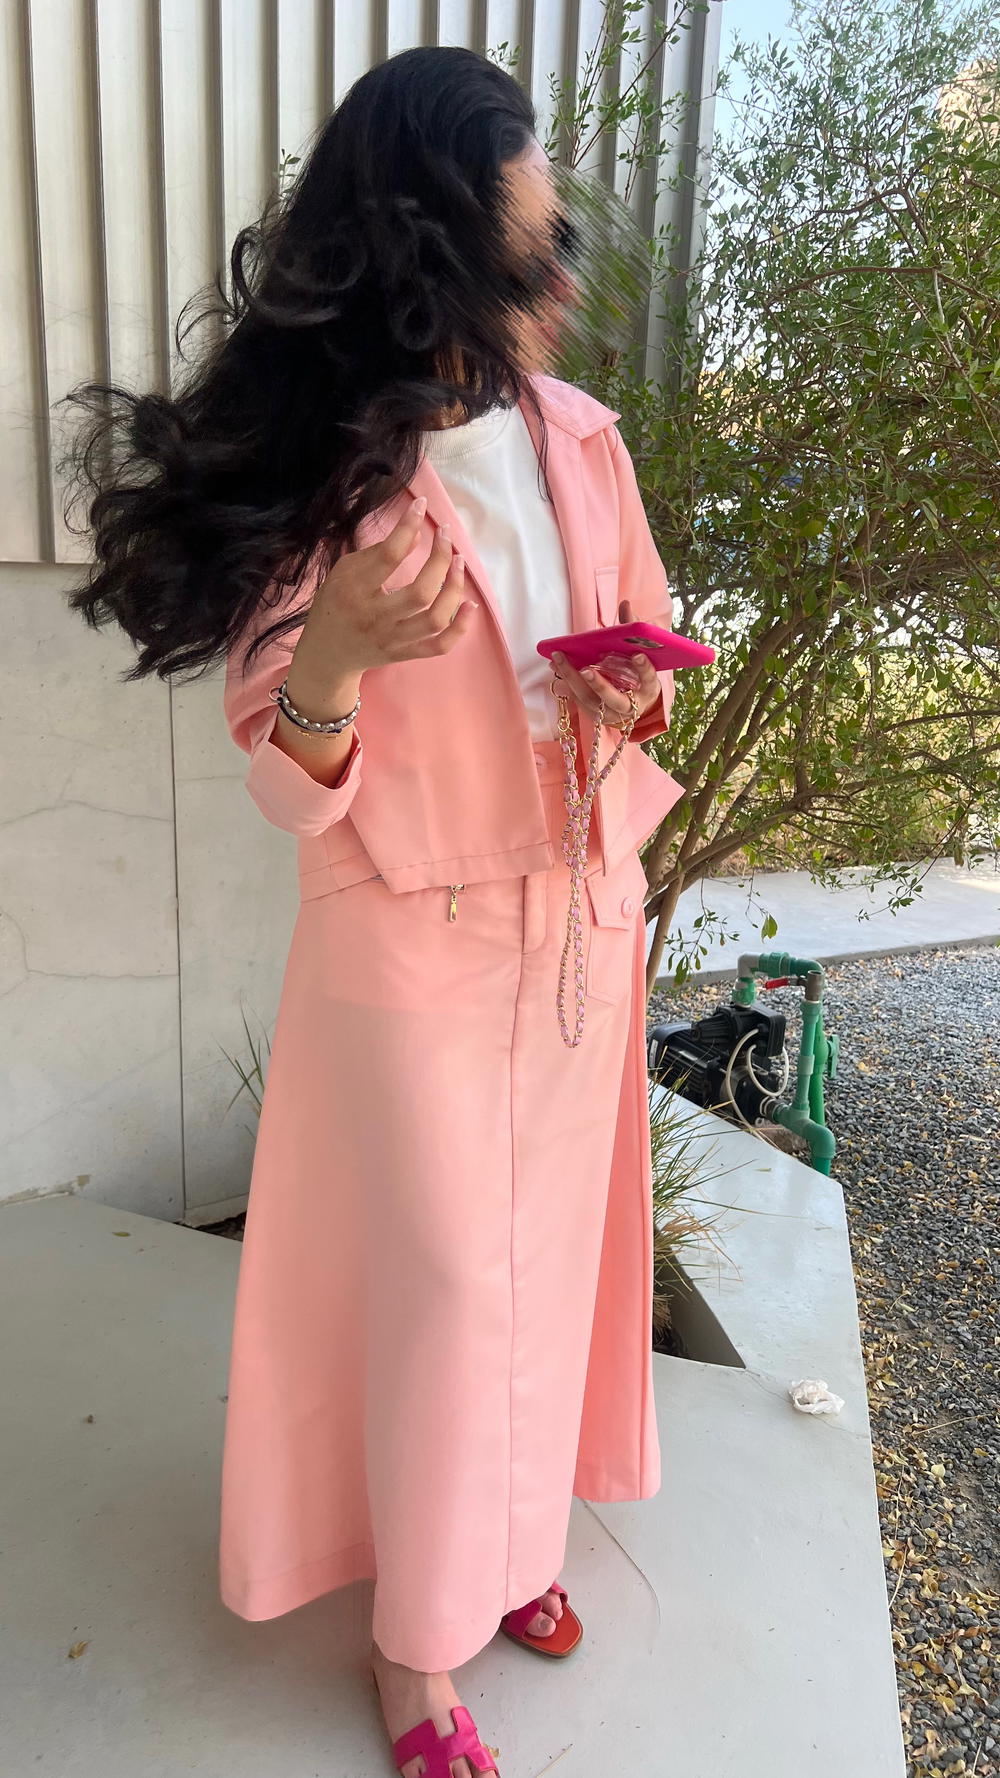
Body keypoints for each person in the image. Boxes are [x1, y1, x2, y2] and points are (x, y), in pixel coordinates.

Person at [64, 44, 686, 1778]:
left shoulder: (581, 440)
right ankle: (420, 1641)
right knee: (442, 1293)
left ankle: (519, 1546)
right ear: (435, 231)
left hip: (577, 915)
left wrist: (632, 692)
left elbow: (636, 646)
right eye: (528, 216)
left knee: (551, 1268)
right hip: (410, 935)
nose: (557, 248)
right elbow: (287, 771)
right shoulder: (333, 474)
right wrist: (335, 648)